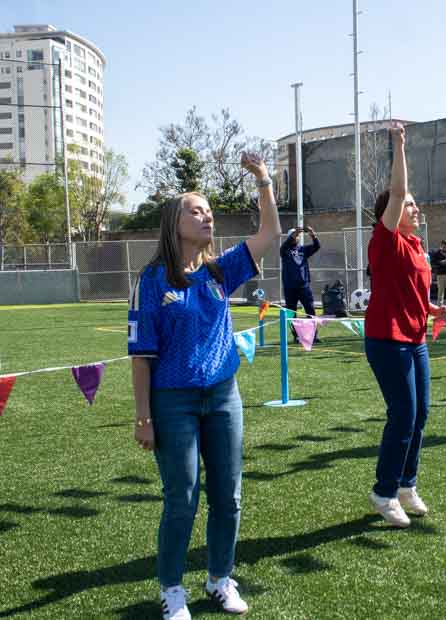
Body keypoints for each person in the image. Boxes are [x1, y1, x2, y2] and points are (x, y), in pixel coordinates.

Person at [129, 152, 280, 620]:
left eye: (209, 208)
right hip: (171, 402)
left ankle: (219, 579)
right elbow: (141, 356)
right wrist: (143, 416)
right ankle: (172, 589)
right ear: (174, 224)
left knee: (228, 495)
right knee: (182, 498)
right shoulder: (152, 281)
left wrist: (264, 182)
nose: (207, 214)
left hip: (222, 396)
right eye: (196, 209)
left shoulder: (221, 270)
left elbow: (269, 235)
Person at [364, 123, 446, 528]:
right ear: (393, 213)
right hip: (387, 339)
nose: (416, 209)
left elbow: (412, 291)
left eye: (416, 206)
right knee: (402, 414)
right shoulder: (386, 240)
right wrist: (399, 144)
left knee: (420, 416)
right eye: (410, 206)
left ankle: (406, 484)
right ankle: (384, 491)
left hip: (414, 338)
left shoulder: (417, 246)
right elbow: (399, 193)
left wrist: (434, 310)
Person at [280, 225, 320, 343]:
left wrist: (313, 234)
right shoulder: (284, 250)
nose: (296, 237)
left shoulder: (303, 250)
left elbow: (317, 246)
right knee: (292, 313)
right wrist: (294, 233)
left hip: (304, 287)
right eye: (294, 236)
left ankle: (314, 335)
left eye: (297, 236)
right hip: (290, 288)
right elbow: (285, 245)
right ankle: (296, 336)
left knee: (310, 310)